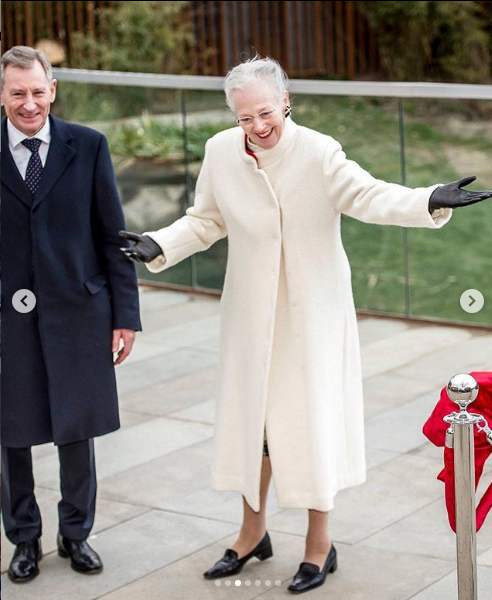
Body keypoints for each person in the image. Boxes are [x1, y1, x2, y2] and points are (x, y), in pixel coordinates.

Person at [120, 56, 491, 594]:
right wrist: (161, 243)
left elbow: (367, 194)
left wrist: (428, 199)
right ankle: (251, 535)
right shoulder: (221, 152)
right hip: (249, 313)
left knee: (310, 425)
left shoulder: (318, 152)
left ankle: (320, 544)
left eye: (265, 113)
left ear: (286, 101)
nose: (257, 126)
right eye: (244, 117)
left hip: (311, 316)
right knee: (257, 428)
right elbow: (207, 218)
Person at [1, 46, 141, 584]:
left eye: (38, 92)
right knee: (11, 436)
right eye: (18, 93)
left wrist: (124, 316)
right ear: (4, 94)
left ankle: (76, 534)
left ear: (52, 90)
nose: (29, 103)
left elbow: (113, 235)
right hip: (7, 320)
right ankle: (23, 540)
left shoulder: (88, 146)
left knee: (75, 432)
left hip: (79, 314)